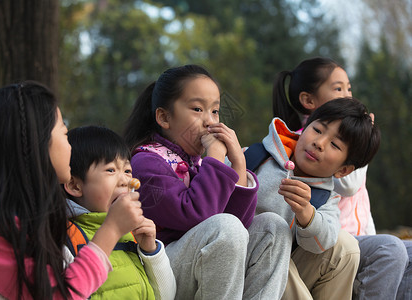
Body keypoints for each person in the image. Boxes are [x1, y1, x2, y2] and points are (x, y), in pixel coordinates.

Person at [0, 81, 145, 299]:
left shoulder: (32, 208)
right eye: (65, 134)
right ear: (38, 144)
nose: (70, 146)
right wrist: (112, 230)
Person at [123, 64, 292, 299]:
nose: (209, 122)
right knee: (226, 228)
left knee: (273, 228)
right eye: (197, 109)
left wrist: (238, 164)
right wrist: (215, 157)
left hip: (198, 259)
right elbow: (196, 215)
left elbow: (239, 225)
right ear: (164, 117)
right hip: (161, 269)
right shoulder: (145, 162)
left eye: (215, 111)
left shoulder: (199, 164)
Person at [272, 57, 411, 299]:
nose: (348, 96)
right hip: (328, 239)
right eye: (338, 89)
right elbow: (347, 185)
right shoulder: (302, 143)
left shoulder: (334, 141)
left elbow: (361, 206)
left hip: (356, 237)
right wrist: (361, 149)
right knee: (390, 249)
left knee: (403, 250)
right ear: (308, 101)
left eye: (349, 88)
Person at [252, 97, 381, 299]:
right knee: (273, 232)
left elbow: (323, 240)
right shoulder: (257, 157)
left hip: (286, 271)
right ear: (306, 126)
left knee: (347, 248)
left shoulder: (325, 197)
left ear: (343, 170)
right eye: (318, 130)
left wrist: (306, 214)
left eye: (335, 145)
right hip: (244, 257)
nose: (318, 143)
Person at [63, 125, 176, 299]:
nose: (126, 181)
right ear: (75, 185)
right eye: (110, 170)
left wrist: (151, 251)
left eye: (127, 171)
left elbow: (167, 296)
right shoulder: (65, 238)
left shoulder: (132, 233)